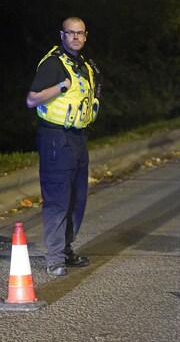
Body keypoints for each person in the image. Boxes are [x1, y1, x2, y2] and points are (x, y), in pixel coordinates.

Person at [26, 16, 100, 277]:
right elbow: (32, 99)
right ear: (62, 35)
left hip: (78, 138)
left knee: (77, 200)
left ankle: (66, 250)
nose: (76, 37)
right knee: (58, 200)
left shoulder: (83, 65)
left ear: (86, 35)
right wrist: (60, 86)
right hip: (56, 138)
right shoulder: (54, 65)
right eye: (71, 33)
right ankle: (54, 258)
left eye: (80, 33)